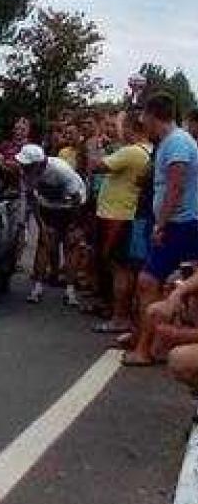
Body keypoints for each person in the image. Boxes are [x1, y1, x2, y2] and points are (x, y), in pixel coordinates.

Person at [125, 94, 198, 368]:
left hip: (181, 224)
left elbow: (176, 186)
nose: (142, 121)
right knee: (166, 284)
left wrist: (161, 223)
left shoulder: (177, 142)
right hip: (181, 222)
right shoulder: (172, 141)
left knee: (148, 282)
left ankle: (146, 349)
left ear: (154, 115)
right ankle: (152, 343)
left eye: (144, 115)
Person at [90, 113, 151, 334]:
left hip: (116, 216)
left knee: (119, 268)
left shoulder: (132, 151)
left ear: (130, 128)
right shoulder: (148, 150)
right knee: (127, 268)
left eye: (121, 126)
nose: (118, 130)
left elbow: (95, 165)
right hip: (128, 215)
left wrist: (97, 140)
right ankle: (121, 312)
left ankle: (120, 317)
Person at [16, 143, 87, 305]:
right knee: (44, 243)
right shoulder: (26, 173)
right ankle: (37, 287)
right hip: (49, 206)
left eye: (27, 165)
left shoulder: (61, 171)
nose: (23, 168)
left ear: (38, 164)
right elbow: (32, 199)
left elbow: (77, 198)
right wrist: (41, 225)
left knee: (71, 245)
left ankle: (70, 290)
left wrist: (74, 225)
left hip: (72, 206)